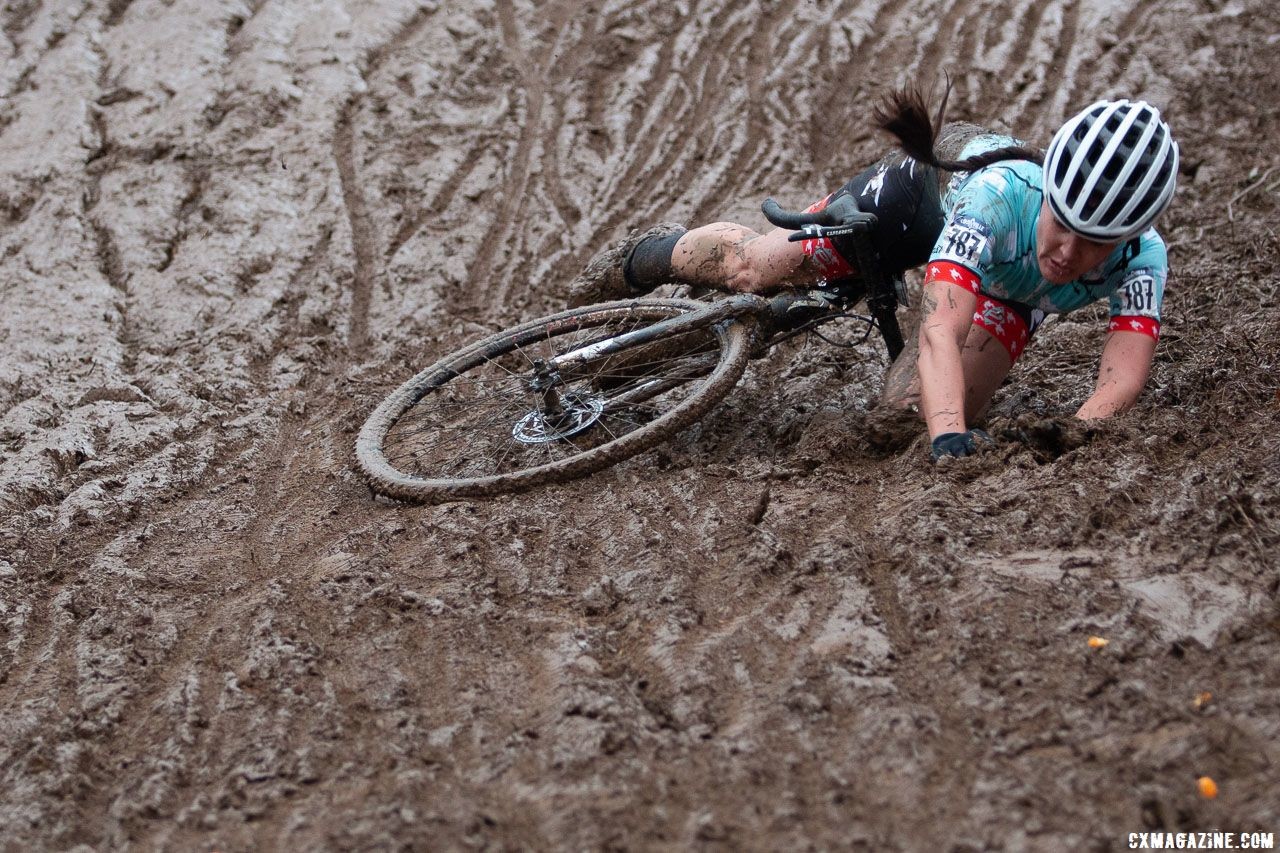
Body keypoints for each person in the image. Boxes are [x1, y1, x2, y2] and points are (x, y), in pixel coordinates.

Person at [566, 87, 1179, 461]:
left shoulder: (1144, 260)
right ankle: (646, 254)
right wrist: (950, 442)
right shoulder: (1000, 196)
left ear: (1129, 237)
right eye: (1061, 224)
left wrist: (1072, 438)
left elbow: (1121, 379)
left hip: (1002, 291)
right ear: (1048, 192)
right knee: (758, 268)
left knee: (908, 413)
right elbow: (941, 326)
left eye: (1094, 244)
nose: (1068, 255)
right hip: (920, 203)